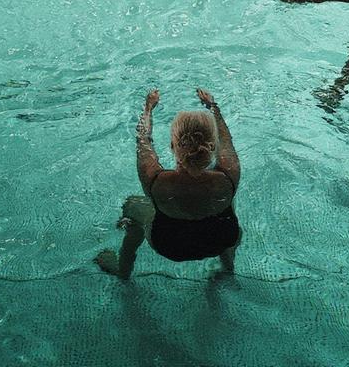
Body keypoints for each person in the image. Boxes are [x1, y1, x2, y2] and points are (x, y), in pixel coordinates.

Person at [95, 88, 241, 280]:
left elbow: (143, 139)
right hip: (220, 241)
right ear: (213, 146)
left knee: (132, 205)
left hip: (170, 247)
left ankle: (123, 270)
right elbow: (226, 138)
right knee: (228, 200)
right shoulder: (229, 175)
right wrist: (213, 107)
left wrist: (148, 108)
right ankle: (227, 267)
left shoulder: (156, 181)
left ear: (172, 146)